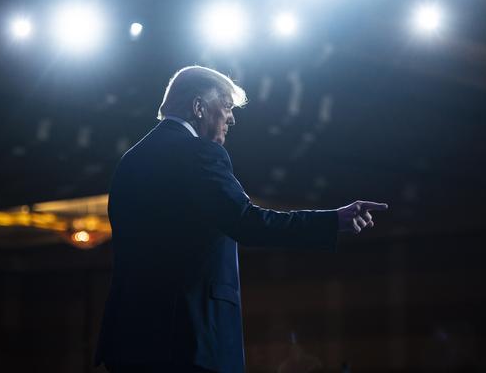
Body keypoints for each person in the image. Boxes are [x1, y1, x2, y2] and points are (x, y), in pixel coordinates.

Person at [95, 65, 387, 372]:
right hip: (190, 340)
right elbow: (247, 223)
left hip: (129, 340)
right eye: (226, 107)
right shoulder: (199, 153)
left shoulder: (130, 161)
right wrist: (332, 221)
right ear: (198, 107)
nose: (231, 118)